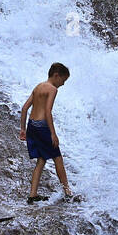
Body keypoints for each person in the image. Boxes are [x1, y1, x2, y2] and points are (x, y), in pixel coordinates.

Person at [19, 62, 74, 204]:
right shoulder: (52, 89)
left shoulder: (38, 87)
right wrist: (53, 134)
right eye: (63, 80)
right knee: (58, 157)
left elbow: (25, 108)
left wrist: (23, 129)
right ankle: (68, 192)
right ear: (56, 76)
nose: (63, 84)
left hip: (32, 125)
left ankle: (32, 195)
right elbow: (48, 112)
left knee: (41, 160)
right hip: (43, 127)